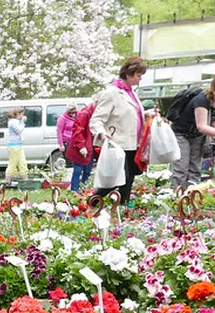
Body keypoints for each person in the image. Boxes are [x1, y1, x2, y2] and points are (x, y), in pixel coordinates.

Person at [90, 55, 147, 205]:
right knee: (120, 179)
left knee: (128, 179)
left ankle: (122, 208)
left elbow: (131, 114)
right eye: (138, 75)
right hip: (117, 143)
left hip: (132, 143)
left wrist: (147, 115)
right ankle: (93, 202)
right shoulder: (112, 93)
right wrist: (101, 133)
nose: (140, 79)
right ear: (128, 74)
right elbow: (96, 119)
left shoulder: (131, 92)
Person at [169, 72, 215, 193]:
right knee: (181, 166)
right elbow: (201, 125)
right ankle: (176, 195)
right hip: (181, 133)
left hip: (197, 136)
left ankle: (193, 194)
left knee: (195, 167)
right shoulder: (202, 100)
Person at [57, 104, 91, 192]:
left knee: (85, 168)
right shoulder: (62, 118)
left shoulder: (80, 115)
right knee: (73, 166)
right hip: (68, 142)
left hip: (81, 142)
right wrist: (61, 144)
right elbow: (59, 131)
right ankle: (72, 187)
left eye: (74, 110)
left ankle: (82, 186)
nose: (72, 112)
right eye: (70, 111)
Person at [5, 108, 27, 181]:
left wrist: (21, 121)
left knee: (22, 163)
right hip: (13, 146)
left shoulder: (16, 121)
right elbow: (18, 131)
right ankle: (7, 181)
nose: (22, 116)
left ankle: (25, 181)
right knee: (12, 164)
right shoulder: (13, 122)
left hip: (19, 145)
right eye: (21, 114)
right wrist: (23, 122)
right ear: (17, 114)